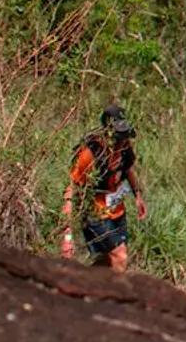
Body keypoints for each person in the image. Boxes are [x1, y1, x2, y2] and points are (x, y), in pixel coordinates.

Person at [59, 103, 147, 270]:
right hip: (95, 213)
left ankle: (88, 289)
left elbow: (128, 169)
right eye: (118, 137)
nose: (122, 142)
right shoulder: (90, 154)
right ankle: (117, 295)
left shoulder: (125, 146)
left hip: (117, 210)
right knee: (120, 256)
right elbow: (71, 189)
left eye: (124, 136)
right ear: (107, 133)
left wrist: (137, 195)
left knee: (107, 261)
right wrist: (67, 235)